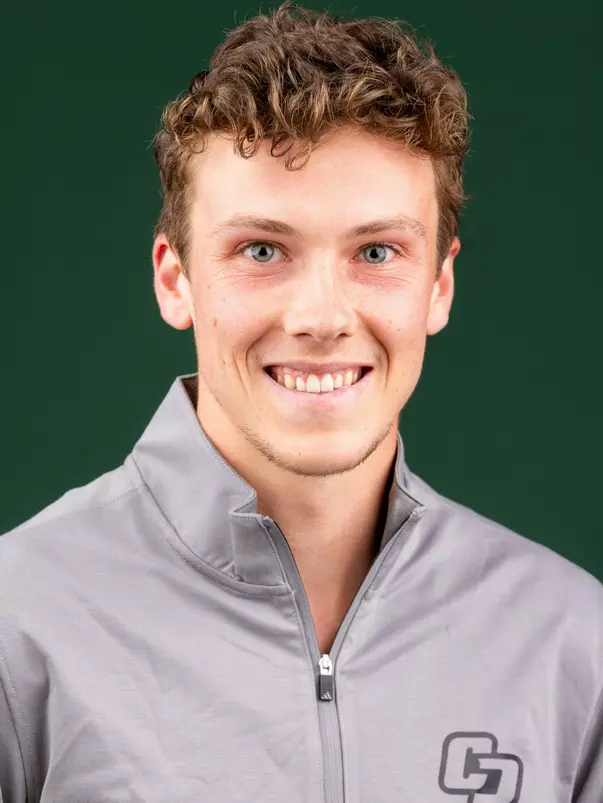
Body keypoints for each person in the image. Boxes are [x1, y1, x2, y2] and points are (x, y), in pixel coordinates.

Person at [1, 2, 601, 800]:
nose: (321, 316)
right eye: (261, 249)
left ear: (439, 284)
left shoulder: (570, 640)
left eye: (376, 251)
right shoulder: (19, 621)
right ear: (175, 278)